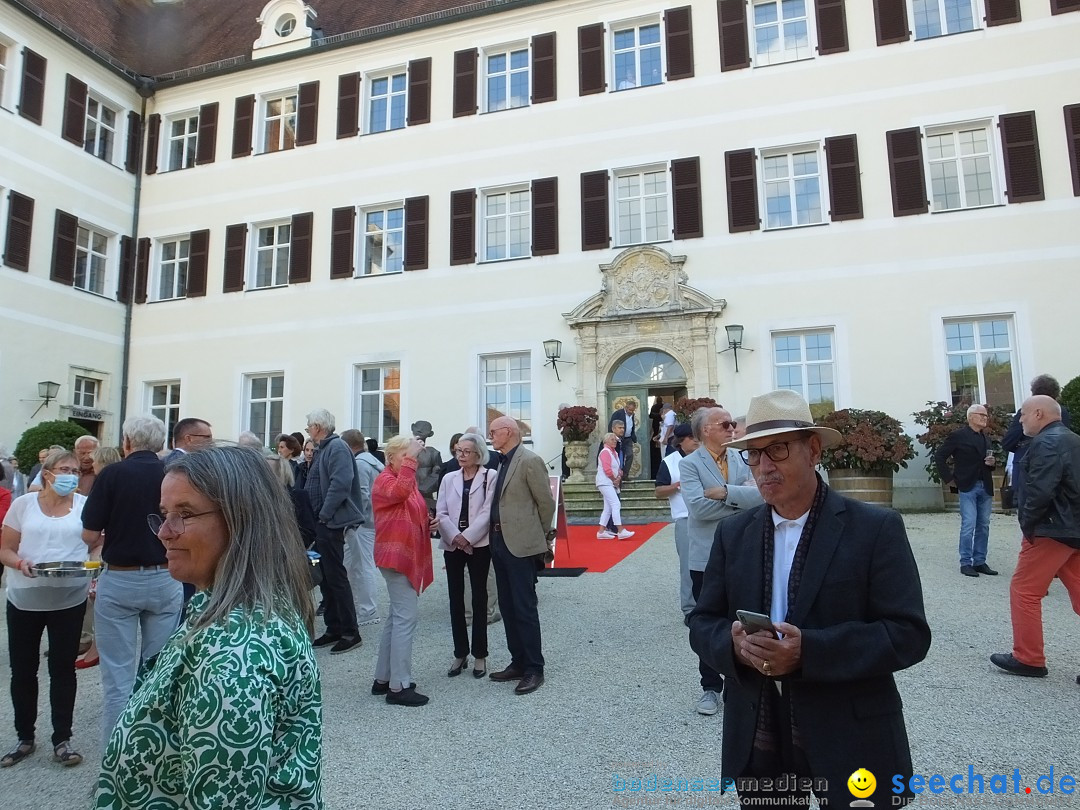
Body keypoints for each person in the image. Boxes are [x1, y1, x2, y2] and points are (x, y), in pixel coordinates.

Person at [690, 389, 931, 808]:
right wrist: (733, 644)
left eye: (778, 449)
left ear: (814, 450)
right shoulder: (735, 533)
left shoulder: (874, 529)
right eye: (753, 454)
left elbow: (907, 634)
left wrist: (810, 653)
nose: (764, 466)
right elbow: (702, 620)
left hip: (850, 730)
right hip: (759, 728)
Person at [95, 446, 322, 807]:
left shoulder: (234, 661)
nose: (164, 532)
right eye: (163, 514)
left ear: (243, 521)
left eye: (184, 514)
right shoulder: (232, 606)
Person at [81, 415, 182, 740]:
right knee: (156, 673)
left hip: (121, 579)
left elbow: (88, 533)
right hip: (165, 575)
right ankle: (152, 762)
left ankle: (115, 769)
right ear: (161, 443)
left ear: (127, 442)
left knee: (118, 680)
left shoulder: (112, 474)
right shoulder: (172, 473)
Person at [0, 450, 91, 768]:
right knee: (23, 670)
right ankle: (25, 737)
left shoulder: (84, 506)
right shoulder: (23, 504)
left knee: (63, 669)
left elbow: (98, 543)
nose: (71, 475)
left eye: (76, 471)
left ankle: (62, 740)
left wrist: (95, 563)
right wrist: (20, 562)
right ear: (48, 473)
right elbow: (6, 550)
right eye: (65, 469)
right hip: (26, 598)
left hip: (69, 597)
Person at [991, 395, 1080, 679]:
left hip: (1051, 529)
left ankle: (1029, 658)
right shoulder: (1075, 440)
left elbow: (1040, 491)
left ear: (1039, 413)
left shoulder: (1045, 443)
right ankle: (1029, 656)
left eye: (1023, 415)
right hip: (1073, 530)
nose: (1020, 421)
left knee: (1024, 591)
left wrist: (1028, 526)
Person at [680, 406, 761, 715]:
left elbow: (763, 498)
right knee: (708, 625)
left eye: (732, 423)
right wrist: (741, 500)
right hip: (706, 557)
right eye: (724, 424)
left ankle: (742, 683)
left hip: (744, 553)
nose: (732, 428)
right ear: (705, 431)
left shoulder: (744, 459)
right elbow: (699, 509)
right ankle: (710, 688)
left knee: (745, 620)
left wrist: (724, 491)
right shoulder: (689, 465)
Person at [487, 416, 555, 695]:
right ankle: (517, 661)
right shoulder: (500, 461)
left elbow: (546, 504)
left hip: (521, 545)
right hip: (499, 543)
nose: (490, 435)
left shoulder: (529, 460)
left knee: (524, 607)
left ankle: (534, 668)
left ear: (509, 432)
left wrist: (536, 537)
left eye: (494, 431)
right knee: (507, 605)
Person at [371, 434, 433, 706]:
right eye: (407, 456)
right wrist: (411, 459)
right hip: (395, 557)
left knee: (396, 619)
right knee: (405, 620)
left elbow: (411, 505)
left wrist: (428, 521)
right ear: (392, 457)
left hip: (399, 555)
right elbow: (400, 493)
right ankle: (399, 686)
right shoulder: (385, 479)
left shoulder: (402, 478)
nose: (413, 461)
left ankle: (383, 679)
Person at [436, 432, 498, 679]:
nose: (460, 456)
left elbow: (487, 511)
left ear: (478, 454)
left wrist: (468, 537)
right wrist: (456, 537)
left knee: (480, 598)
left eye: (466, 452)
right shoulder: (449, 478)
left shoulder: (490, 476)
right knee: (455, 598)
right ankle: (460, 652)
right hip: (453, 544)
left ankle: (480, 654)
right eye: (458, 451)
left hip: (478, 544)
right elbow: (440, 511)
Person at [304, 408, 363, 654]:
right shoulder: (324, 449)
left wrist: (324, 515)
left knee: (336, 578)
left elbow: (340, 484)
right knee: (326, 578)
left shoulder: (336, 448)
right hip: (322, 522)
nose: (307, 431)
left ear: (318, 427)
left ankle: (350, 632)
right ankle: (334, 628)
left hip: (330, 522)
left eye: (309, 427)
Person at [934, 403, 999, 577]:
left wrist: (992, 464)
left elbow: (987, 463)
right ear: (970, 417)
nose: (985, 418)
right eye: (981, 415)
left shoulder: (986, 438)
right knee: (969, 524)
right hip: (967, 485)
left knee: (983, 525)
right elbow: (940, 456)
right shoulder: (958, 436)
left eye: (986, 415)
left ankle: (980, 561)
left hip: (985, 485)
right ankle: (965, 562)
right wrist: (949, 479)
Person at [75, 446, 123, 671]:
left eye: (94, 462)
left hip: (103, 549)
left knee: (98, 599)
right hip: (113, 548)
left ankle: (96, 647)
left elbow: (92, 530)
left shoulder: (105, 481)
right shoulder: (120, 479)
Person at [1001, 374, 1072, 515]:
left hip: (1029, 470)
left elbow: (1008, 442)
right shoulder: (1062, 412)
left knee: (1028, 514)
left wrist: (1023, 442)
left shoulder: (1027, 412)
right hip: (1059, 472)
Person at [654, 422, 699, 624]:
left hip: (710, 515)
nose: (697, 440)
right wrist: (676, 486)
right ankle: (689, 609)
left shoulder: (705, 457)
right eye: (692, 437)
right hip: (685, 518)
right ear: (681, 442)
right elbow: (658, 491)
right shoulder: (670, 462)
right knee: (688, 566)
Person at [341, 429, 382, 627]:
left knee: (363, 567)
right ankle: (362, 608)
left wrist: (352, 521)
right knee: (356, 566)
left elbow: (362, 496)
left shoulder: (360, 464)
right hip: (370, 521)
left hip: (363, 524)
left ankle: (367, 610)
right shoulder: (373, 461)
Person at [267, 456, 317, 549]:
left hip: (288, 553)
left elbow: (308, 531)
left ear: (280, 473)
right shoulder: (260, 497)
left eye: (267, 471)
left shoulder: (298, 496)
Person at [595, 432, 634, 540]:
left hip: (609, 482)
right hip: (605, 482)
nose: (615, 441)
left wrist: (618, 476)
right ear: (606, 441)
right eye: (612, 439)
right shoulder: (605, 452)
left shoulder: (614, 453)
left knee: (608, 507)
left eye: (615, 440)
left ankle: (601, 531)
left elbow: (617, 469)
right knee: (616, 503)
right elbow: (607, 470)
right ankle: (620, 530)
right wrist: (614, 480)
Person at [411, 420, 443, 518]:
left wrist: (423, 489)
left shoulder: (433, 453)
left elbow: (438, 476)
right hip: (410, 495)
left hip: (425, 496)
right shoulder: (405, 451)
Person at [609, 401, 638, 479]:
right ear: (626, 407)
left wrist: (633, 436)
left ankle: (625, 475)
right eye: (630, 410)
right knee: (618, 456)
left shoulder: (632, 415)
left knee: (630, 455)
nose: (631, 412)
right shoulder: (618, 414)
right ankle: (617, 474)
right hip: (619, 438)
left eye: (633, 410)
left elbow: (631, 426)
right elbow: (611, 425)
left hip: (628, 438)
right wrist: (612, 437)